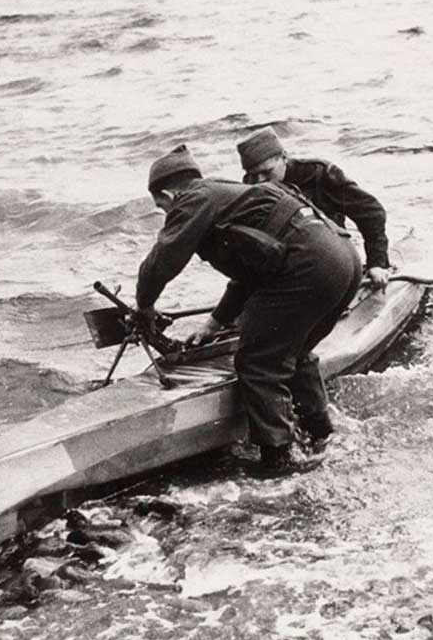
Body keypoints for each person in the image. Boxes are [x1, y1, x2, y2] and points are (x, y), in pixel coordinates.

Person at [135, 144, 363, 475]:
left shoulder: (193, 199)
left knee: (258, 362)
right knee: (293, 350)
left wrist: (144, 306)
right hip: (343, 258)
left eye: (161, 207)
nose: (166, 214)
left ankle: (279, 460)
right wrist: (215, 323)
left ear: (169, 196)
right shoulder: (230, 195)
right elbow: (251, 273)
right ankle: (319, 434)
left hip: (310, 264)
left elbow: (162, 260)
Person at [236, 127, 392, 289]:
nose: (260, 181)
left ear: (284, 157)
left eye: (267, 172)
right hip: (288, 264)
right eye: (253, 174)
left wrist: (376, 263)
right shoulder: (251, 185)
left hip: (333, 258)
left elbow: (371, 212)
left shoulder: (319, 173)